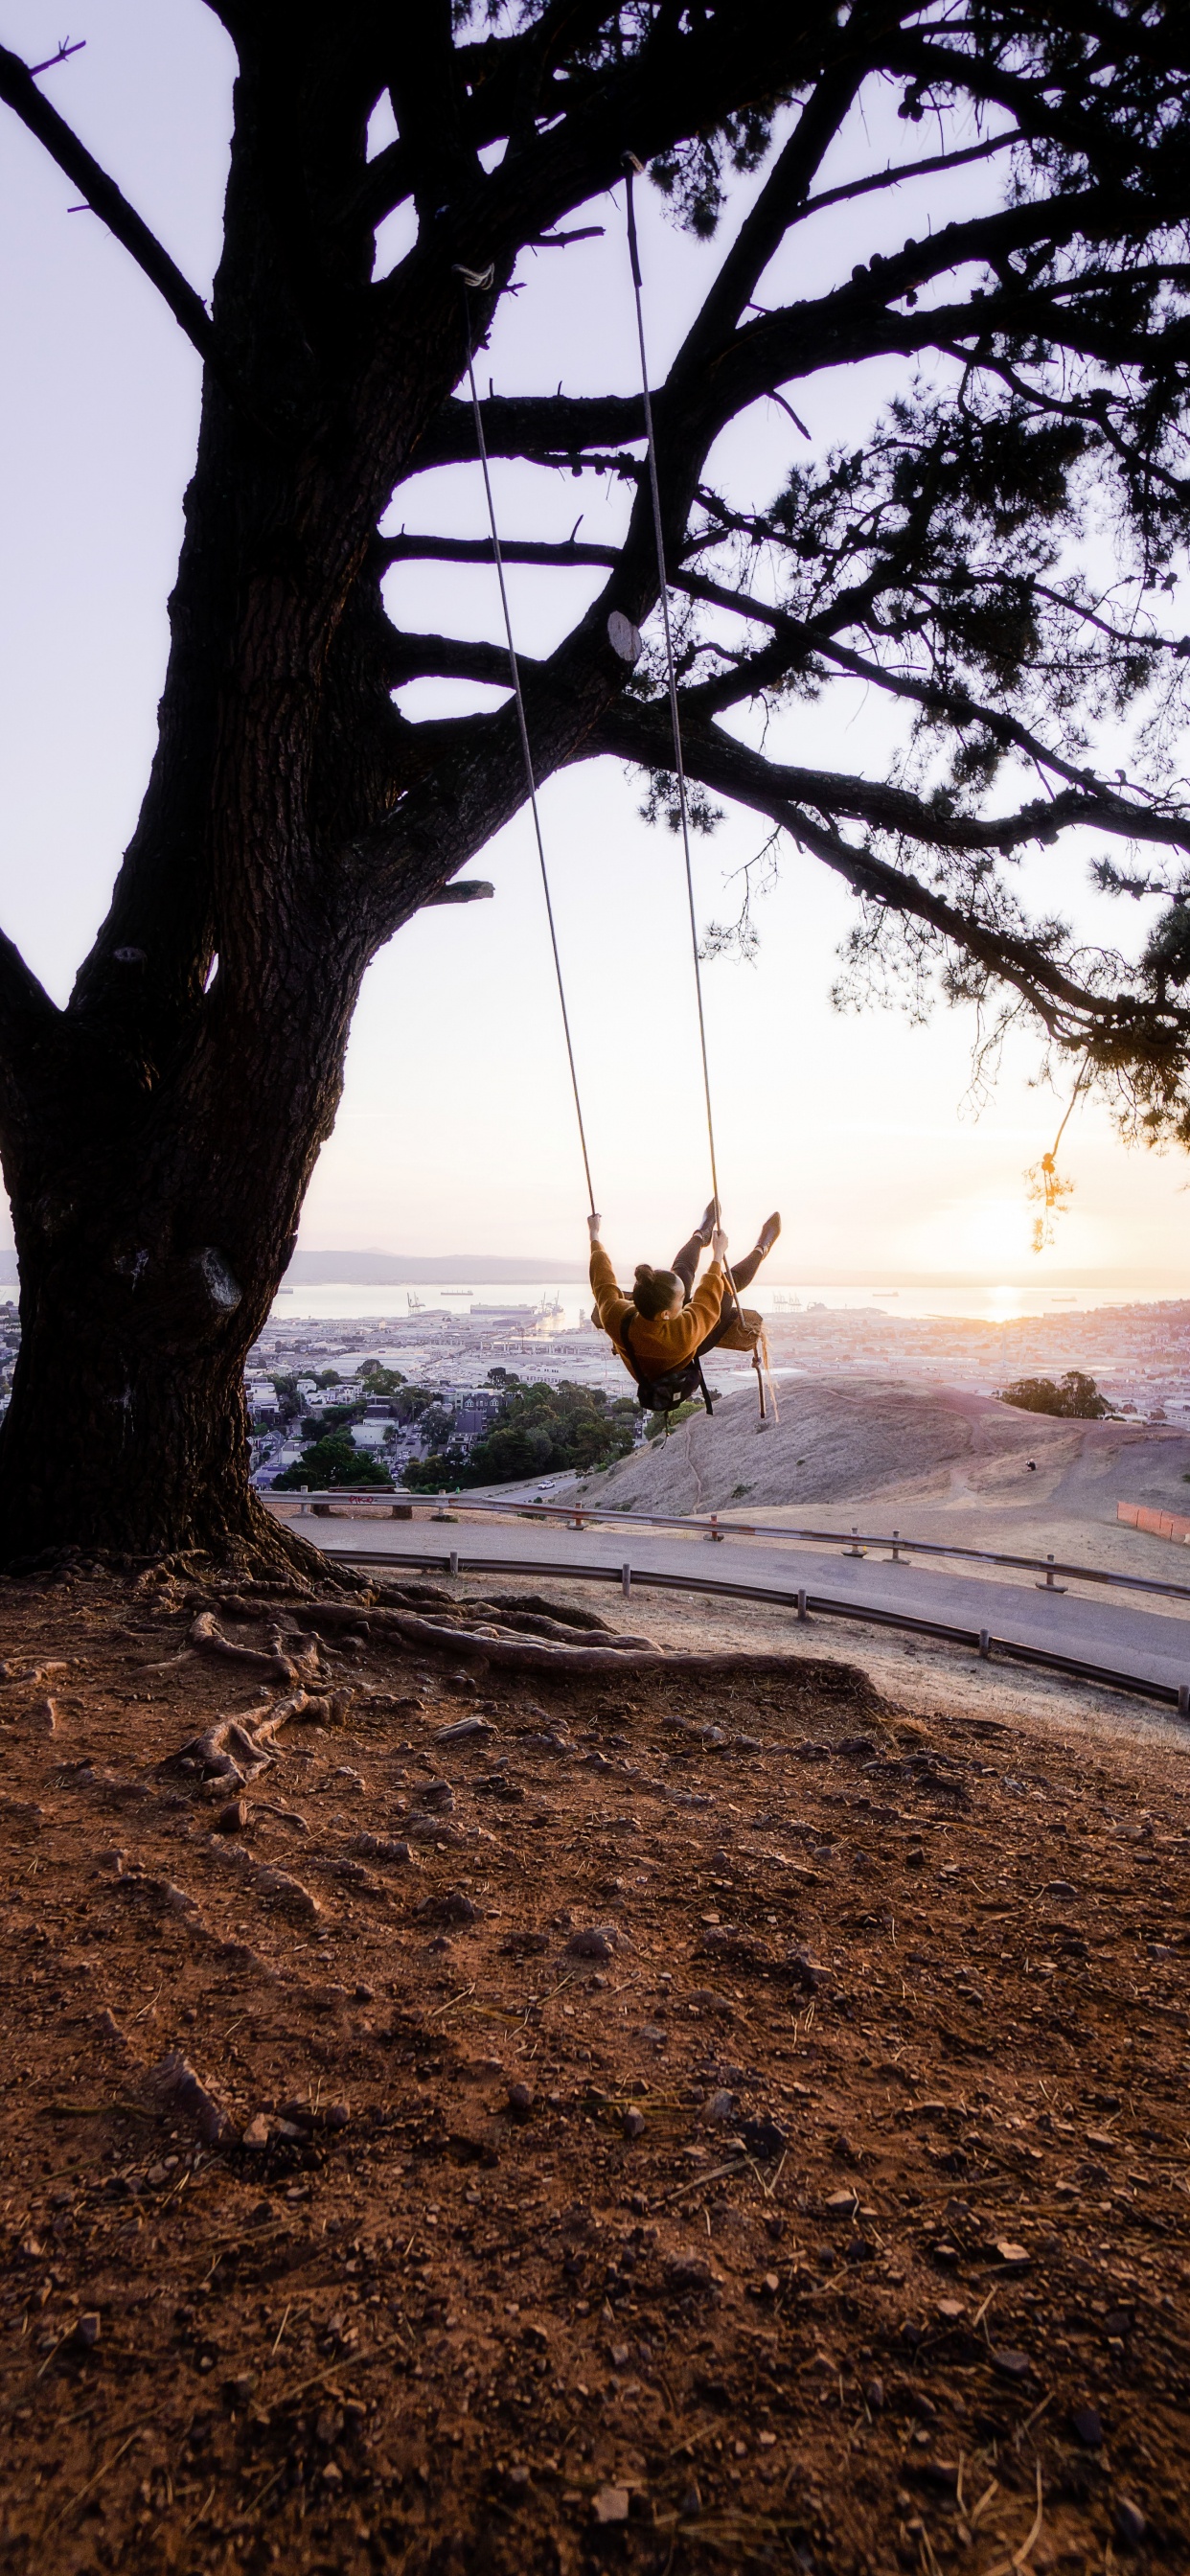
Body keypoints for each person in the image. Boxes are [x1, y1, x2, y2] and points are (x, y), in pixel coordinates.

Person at [586, 1201, 781, 1392]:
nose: (686, 1299)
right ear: (666, 1314)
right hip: (681, 1359)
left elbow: (602, 1281)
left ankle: (700, 1235)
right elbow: (708, 1297)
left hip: (648, 1356)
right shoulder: (682, 1334)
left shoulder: (615, 1314)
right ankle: (761, 1249)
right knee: (727, 1284)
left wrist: (594, 1234)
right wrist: (718, 1254)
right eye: (681, 1299)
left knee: (682, 1270)